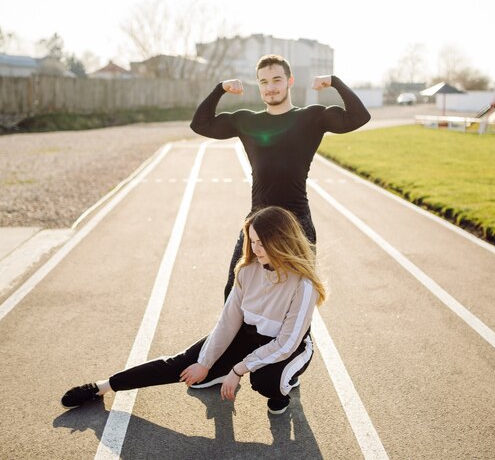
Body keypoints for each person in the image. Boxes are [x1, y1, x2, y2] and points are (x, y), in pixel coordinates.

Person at [61, 206, 326, 415]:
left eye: (262, 243)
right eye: (253, 242)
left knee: (265, 381)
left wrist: (238, 370)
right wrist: (205, 362)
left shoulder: (303, 285)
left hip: (287, 348)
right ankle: (102, 387)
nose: (256, 250)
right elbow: (228, 323)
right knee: (186, 367)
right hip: (248, 337)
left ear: (281, 241)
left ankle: (284, 385)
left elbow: (286, 343)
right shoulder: (247, 271)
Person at [189, 54, 370, 300]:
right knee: (234, 292)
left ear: (290, 81)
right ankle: (238, 339)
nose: (271, 87)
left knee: (300, 297)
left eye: (276, 80)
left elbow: (359, 117)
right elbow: (200, 124)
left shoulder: (311, 118)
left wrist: (334, 82)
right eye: (264, 82)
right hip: (257, 221)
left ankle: (300, 339)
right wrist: (220, 89)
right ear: (259, 86)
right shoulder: (247, 121)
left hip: (297, 222)